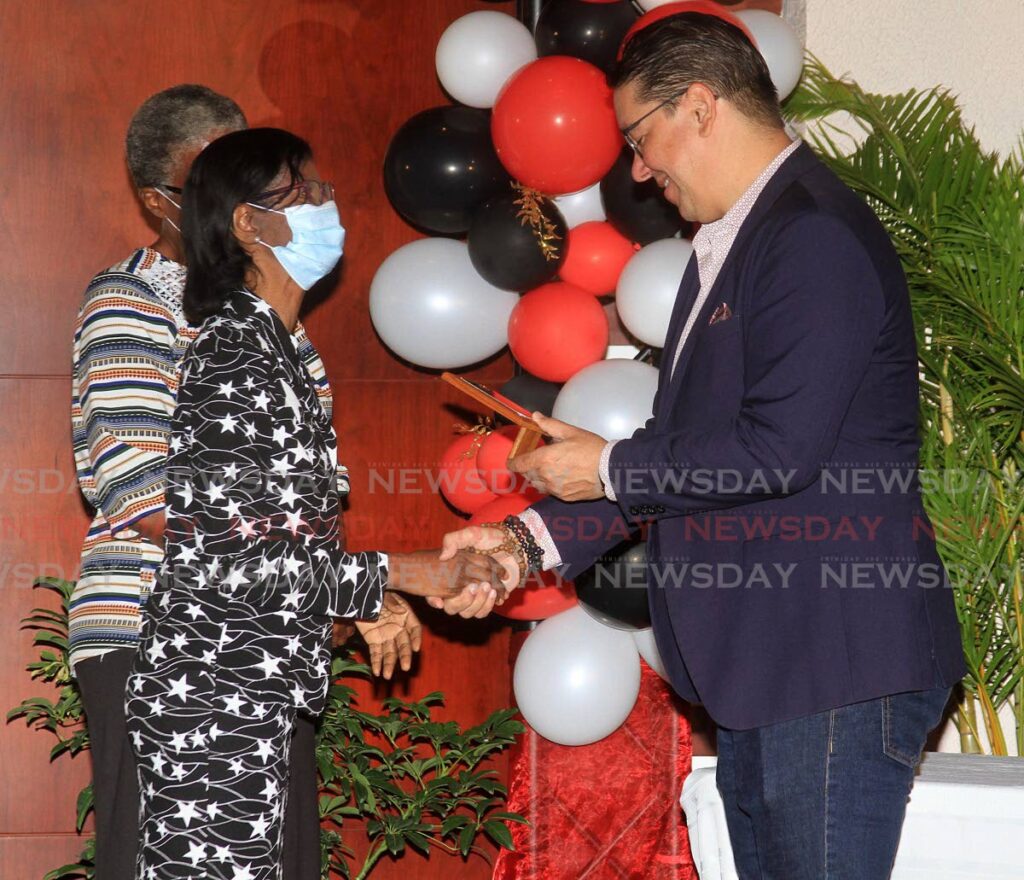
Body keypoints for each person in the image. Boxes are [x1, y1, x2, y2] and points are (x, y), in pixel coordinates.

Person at [441, 11, 966, 880]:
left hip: (830, 659)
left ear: (699, 105)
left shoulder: (810, 235)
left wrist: (606, 464)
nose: (639, 172)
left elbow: (776, 452)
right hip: (774, 665)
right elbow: (689, 452)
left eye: (641, 138)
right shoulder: (732, 242)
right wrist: (523, 540)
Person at [125, 126, 504, 876]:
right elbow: (233, 561)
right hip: (215, 699)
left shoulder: (280, 351)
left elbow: (277, 540)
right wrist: (407, 573)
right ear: (248, 222)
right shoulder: (236, 353)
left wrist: (360, 598)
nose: (332, 206)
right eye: (309, 193)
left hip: (246, 693)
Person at [69, 86, 426, 880]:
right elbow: (158, 505)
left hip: (261, 646)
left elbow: (295, 517)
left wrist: (341, 591)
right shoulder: (129, 307)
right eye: (213, 177)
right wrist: (375, 580)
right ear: (163, 199)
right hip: (156, 640)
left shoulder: (278, 335)